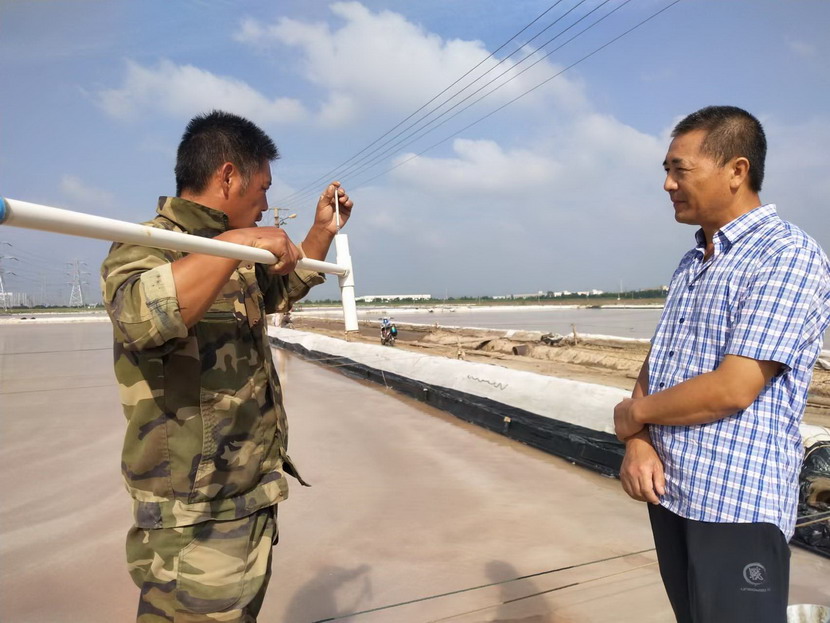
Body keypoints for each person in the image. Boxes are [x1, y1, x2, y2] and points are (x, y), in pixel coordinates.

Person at [101, 110, 353, 622]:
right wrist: (235, 245)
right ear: (228, 176)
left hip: (247, 494)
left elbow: (279, 289)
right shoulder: (147, 243)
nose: (265, 205)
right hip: (193, 514)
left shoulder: (238, 247)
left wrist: (320, 232)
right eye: (263, 189)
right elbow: (138, 319)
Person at [614, 105, 830, 622]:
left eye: (680, 170)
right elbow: (659, 361)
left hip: (734, 505)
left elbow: (733, 388)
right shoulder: (694, 261)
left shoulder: (786, 255)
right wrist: (638, 442)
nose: (668, 184)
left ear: (737, 170)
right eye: (666, 170)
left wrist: (634, 415)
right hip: (671, 491)